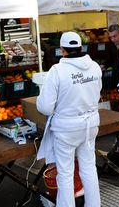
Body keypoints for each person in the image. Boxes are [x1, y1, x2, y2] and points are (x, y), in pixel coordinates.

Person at [36, 31, 102, 207]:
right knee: (89, 167)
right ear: (81, 47)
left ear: (62, 50)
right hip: (90, 125)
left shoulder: (57, 71)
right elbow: (97, 94)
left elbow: (44, 107)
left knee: (65, 172)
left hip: (66, 129)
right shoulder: (95, 67)